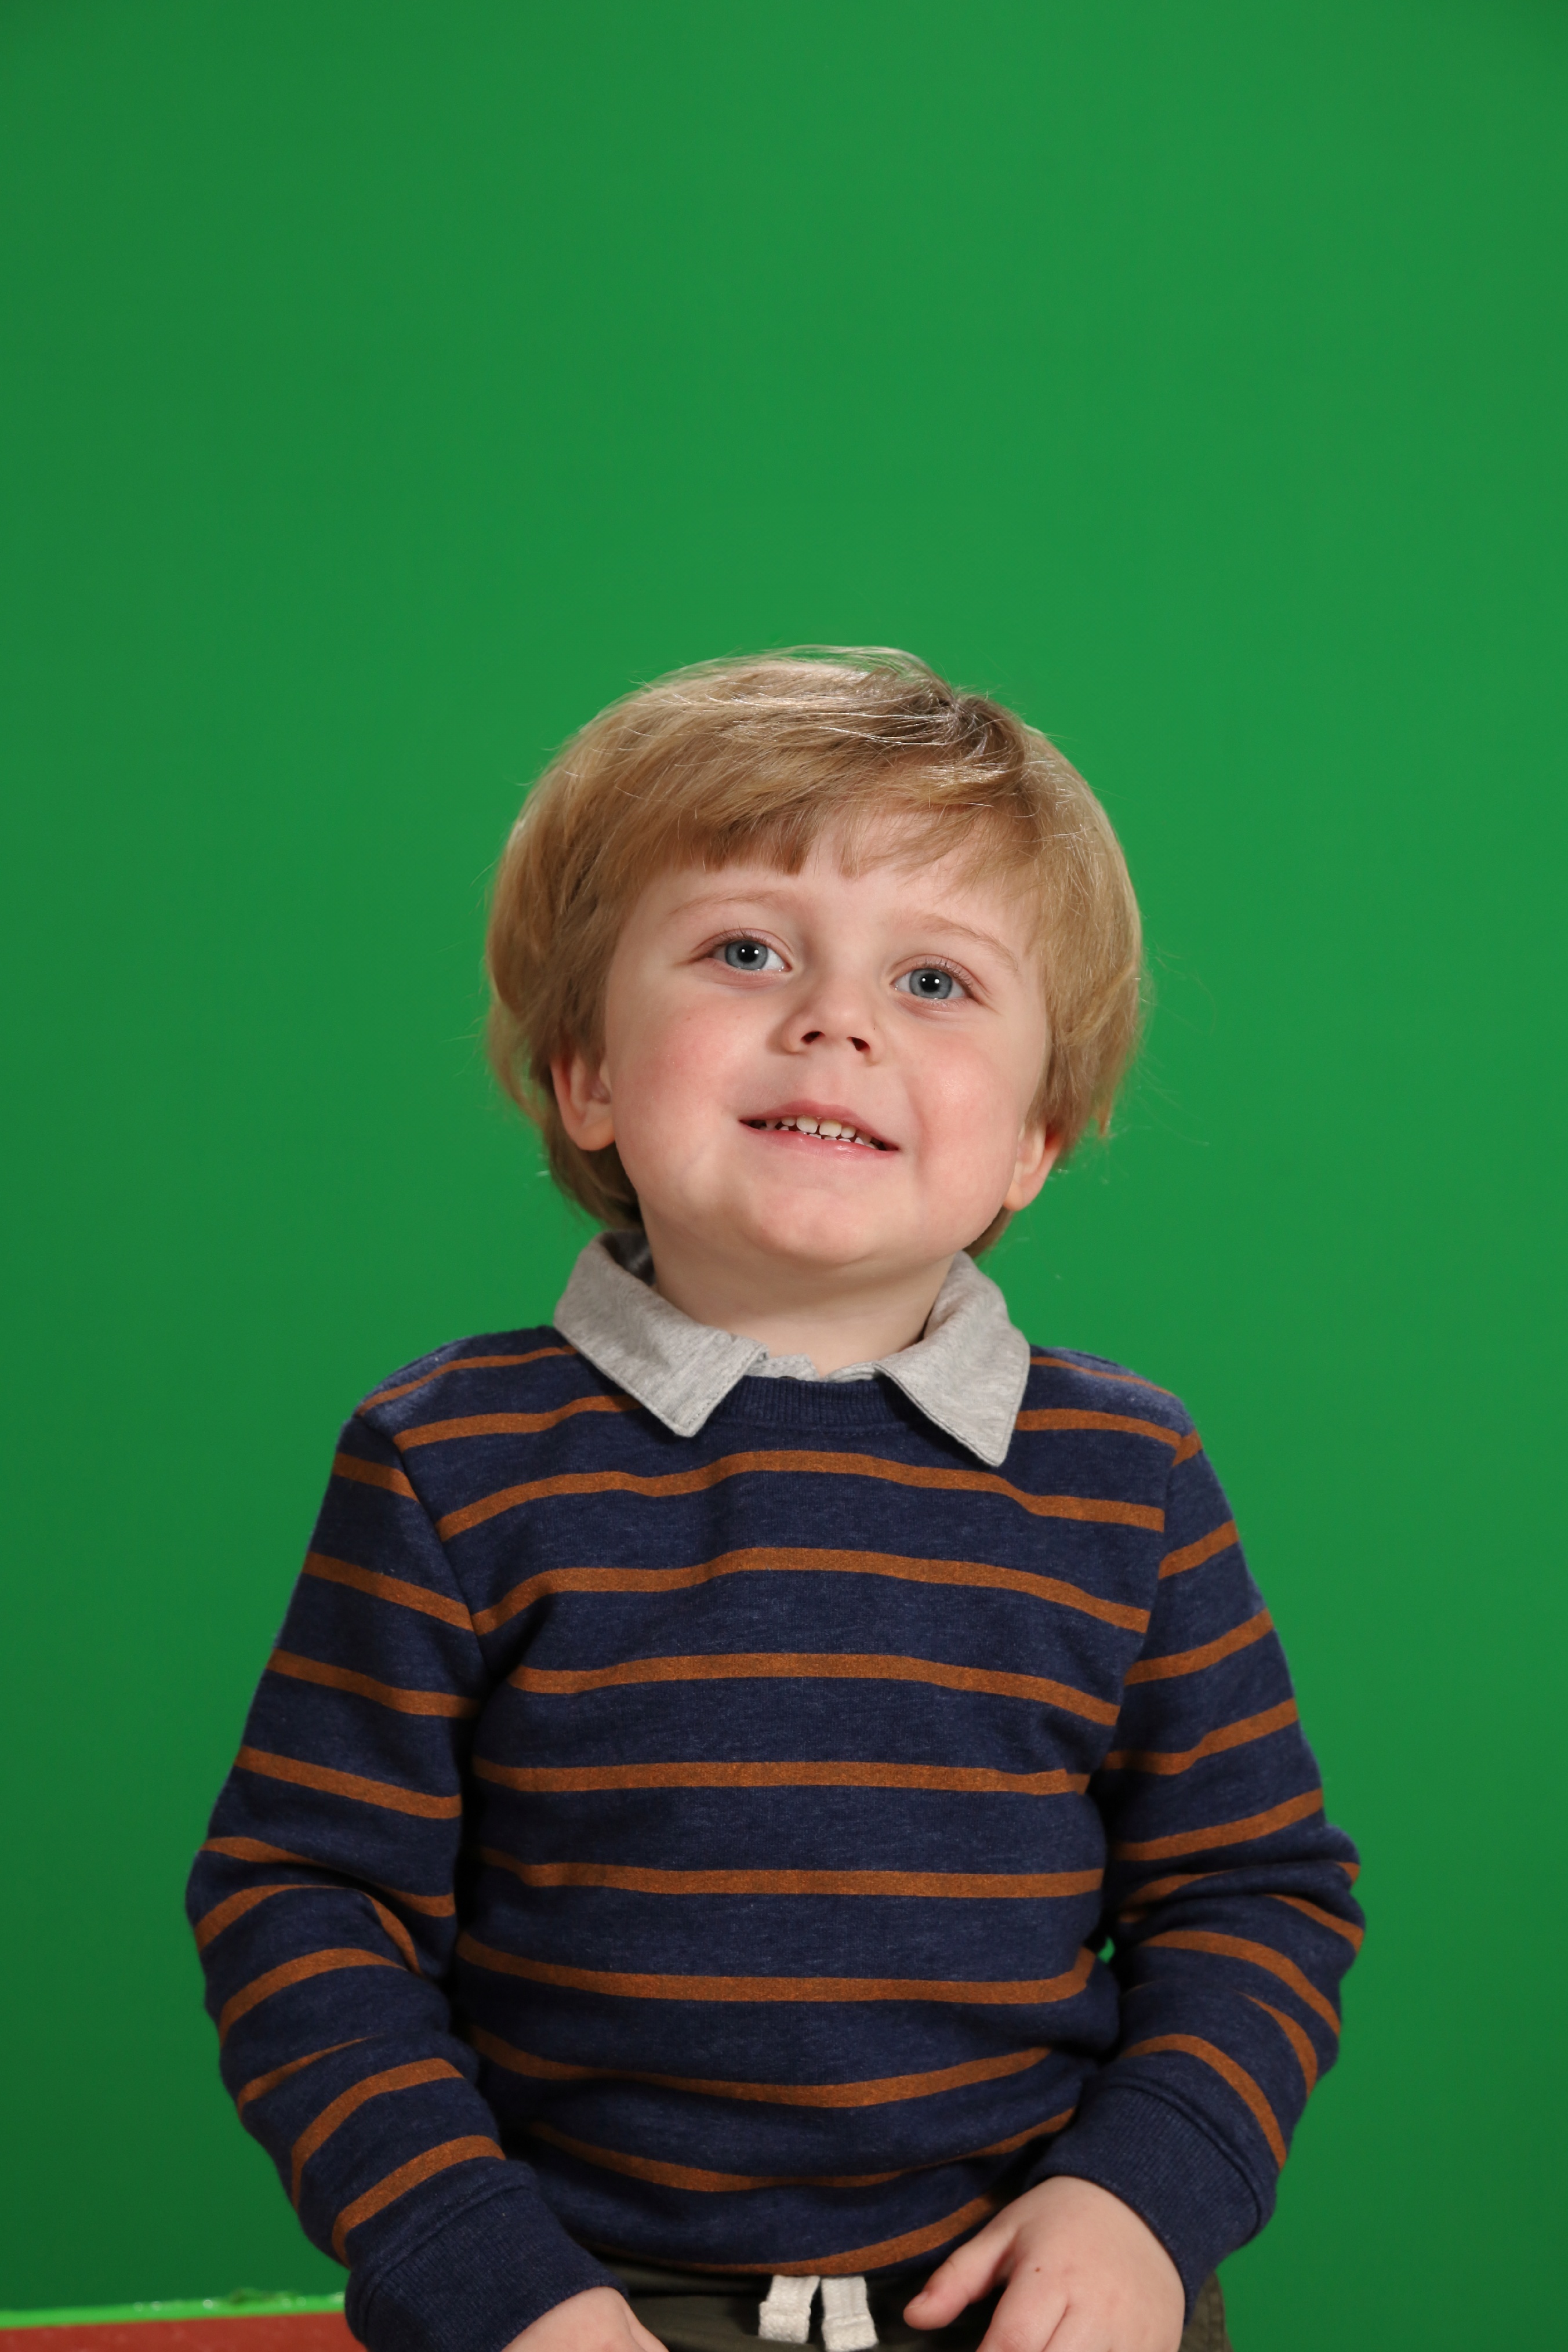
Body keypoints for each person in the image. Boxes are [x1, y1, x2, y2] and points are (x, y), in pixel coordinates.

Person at [188, 652, 1361, 2352]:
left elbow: (1253, 1897)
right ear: (587, 1072)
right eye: (747, 950)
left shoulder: (1130, 1477)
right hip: (586, 2302)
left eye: (936, 979)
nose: (837, 1020)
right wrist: (488, 2277)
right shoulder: (449, 1462)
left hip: (1028, 2293)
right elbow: (303, 1904)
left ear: (1033, 1140)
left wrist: (1142, 2203)